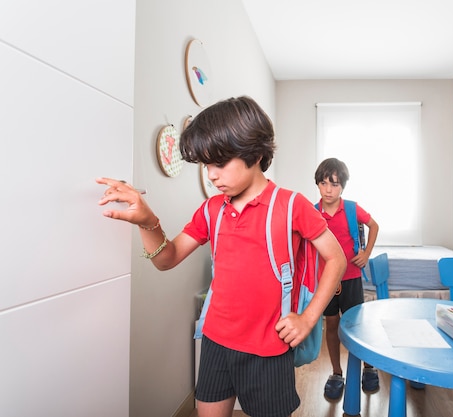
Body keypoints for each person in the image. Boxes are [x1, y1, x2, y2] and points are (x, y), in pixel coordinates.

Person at [97, 96, 346, 417]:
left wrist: (308, 318)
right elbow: (166, 258)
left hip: (269, 351)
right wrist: (148, 221)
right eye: (205, 165)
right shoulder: (211, 209)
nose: (211, 175)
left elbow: (336, 259)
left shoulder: (291, 206)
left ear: (255, 154)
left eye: (219, 163)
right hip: (215, 343)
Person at [314, 157, 380, 400]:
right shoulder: (313, 212)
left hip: (351, 278)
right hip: (326, 281)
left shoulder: (352, 208)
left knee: (356, 326)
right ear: (318, 185)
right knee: (331, 325)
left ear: (343, 186)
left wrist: (366, 253)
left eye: (334, 184)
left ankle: (368, 367)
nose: (328, 190)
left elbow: (374, 226)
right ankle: (336, 373)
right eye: (323, 183)